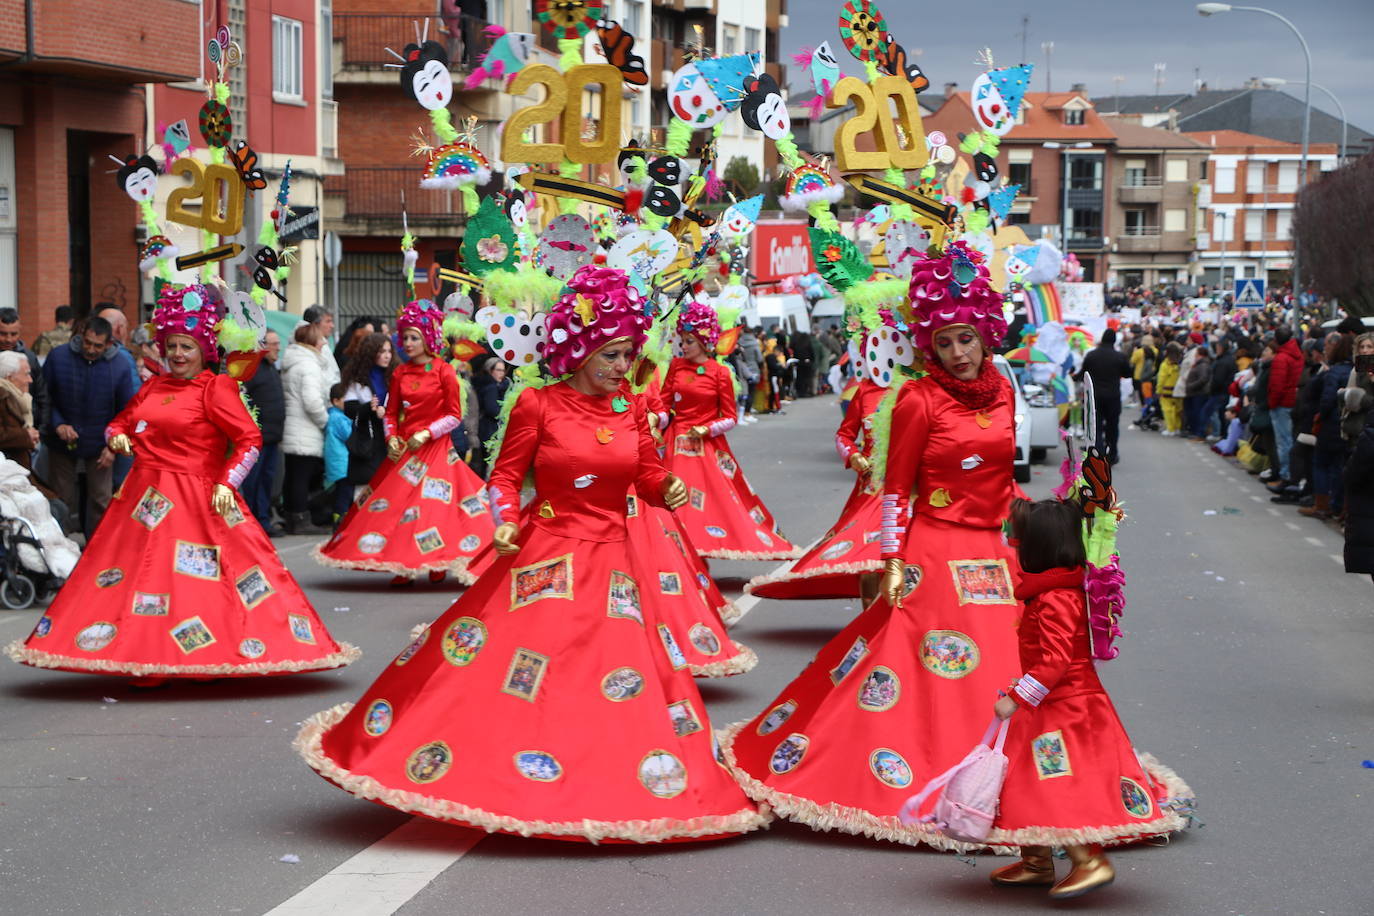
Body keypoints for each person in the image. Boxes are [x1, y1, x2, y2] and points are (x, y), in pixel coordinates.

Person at [295, 266, 769, 842]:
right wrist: (500, 524)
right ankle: (505, 769)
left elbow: (645, 475)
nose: (624, 368)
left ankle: (606, 780)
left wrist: (664, 487)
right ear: (582, 350)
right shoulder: (537, 406)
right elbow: (504, 480)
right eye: (613, 355)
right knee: (515, 670)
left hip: (616, 564)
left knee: (618, 676)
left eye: (629, 355)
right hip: (545, 554)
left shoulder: (632, 410)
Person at [724, 243, 1030, 846]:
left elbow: (1007, 480)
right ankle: (919, 771)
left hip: (995, 555)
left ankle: (1009, 782)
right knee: (926, 669)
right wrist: (892, 561)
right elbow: (894, 492)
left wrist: (1039, 536)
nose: (958, 353)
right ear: (927, 346)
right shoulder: (917, 398)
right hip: (933, 554)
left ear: (987, 333)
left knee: (1007, 667)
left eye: (966, 338)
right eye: (944, 343)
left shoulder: (1003, 393)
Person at [6, 283, 359, 684]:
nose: (176, 354)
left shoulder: (216, 388)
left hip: (197, 499)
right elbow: (122, 421)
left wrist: (229, 482)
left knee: (192, 584)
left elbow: (249, 440)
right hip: (142, 501)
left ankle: (198, 652)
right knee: (139, 580)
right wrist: (116, 436)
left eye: (186, 347)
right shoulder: (154, 386)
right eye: (171, 346)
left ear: (203, 351)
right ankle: (144, 655)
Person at [985, 498, 1191, 899]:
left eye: (1021, 540)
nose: (1014, 545)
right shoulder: (1051, 589)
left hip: (1067, 708)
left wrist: (1016, 697)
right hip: (1052, 705)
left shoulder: (1055, 597)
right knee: (1027, 779)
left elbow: (1055, 662)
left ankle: (1088, 860)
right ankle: (1036, 860)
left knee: (1059, 784)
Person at [313, 300, 492, 585]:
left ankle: (437, 560)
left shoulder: (443, 370)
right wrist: (391, 437)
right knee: (396, 507)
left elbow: (454, 415)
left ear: (427, 338)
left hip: (435, 449)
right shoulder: (400, 373)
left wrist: (427, 433)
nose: (406, 343)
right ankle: (402, 564)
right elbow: (392, 411)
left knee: (432, 507)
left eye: (413, 337)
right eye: (404, 337)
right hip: (406, 451)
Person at [746, 319, 909, 604]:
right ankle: (869, 622)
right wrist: (853, 455)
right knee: (866, 556)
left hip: (909, 487)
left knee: (910, 556)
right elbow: (843, 436)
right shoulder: (864, 393)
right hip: (870, 490)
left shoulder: (917, 390)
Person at [661, 301, 798, 561]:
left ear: (703, 341)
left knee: (715, 503)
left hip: (707, 448)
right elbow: (663, 404)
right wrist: (652, 418)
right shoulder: (676, 367)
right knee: (672, 498)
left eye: (689, 340)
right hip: (675, 445)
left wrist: (707, 428)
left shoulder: (720, 373)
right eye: (683, 340)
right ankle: (677, 552)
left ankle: (702, 548)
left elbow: (730, 417)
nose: (684, 346)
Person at [41, 316, 136, 538]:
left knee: (101, 500)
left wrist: (113, 447)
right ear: (81, 336)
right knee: (61, 498)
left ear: (109, 344)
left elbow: (127, 411)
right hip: (62, 439)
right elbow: (44, 398)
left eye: (98, 346)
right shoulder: (58, 357)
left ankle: (97, 552)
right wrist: (58, 424)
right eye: (87, 342)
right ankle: (59, 547)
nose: (91, 350)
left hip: (100, 442)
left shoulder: (120, 365)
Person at [280, 323, 331, 535]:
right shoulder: (308, 365)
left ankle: (292, 516)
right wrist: (325, 421)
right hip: (305, 429)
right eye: (321, 339)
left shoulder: (294, 362)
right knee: (301, 477)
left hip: (293, 427)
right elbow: (312, 401)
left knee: (293, 476)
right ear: (313, 342)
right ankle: (301, 518)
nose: (324, 343)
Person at [1302, 333, 1353, 520]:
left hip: (1332, 424)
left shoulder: (1334, 371)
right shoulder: (1358, 370)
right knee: (1339, 466)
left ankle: (1323, 505)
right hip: (1349, 425)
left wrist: (1320, 417)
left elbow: (1326, 400)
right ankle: (1338, 505)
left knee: (1322, 463)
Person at [240, 329, 285, 535]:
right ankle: (253, 522)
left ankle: (264, 520)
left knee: (267, 481)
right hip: (257, 438)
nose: (278, 347)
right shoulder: (252, 370)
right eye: (273, 344)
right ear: (262, 346)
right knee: (253, 482)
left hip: (272, 437)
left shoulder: (271, 368)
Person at [337, 332, 393, 488]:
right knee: (366, 491)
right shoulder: (357, 378)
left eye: (389, 351)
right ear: (370, 353)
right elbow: (349, 409)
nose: (387, 356)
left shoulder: (395, 374)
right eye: (382, 352)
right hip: (368, 441)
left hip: (391, 439)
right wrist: (369, 408)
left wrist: (387, 410)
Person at [1078, 328, 1131, 463]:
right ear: (1114, 341)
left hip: (1095, 396)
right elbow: (1127, 373)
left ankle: (1098, 453)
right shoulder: (1120, 356)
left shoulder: (1092, 355)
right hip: (1113, 396)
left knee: (1096, 425)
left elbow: (1083, 373)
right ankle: (1112, 453)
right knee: (1113, 425)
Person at [0, 307, 49, 432]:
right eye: (3, 334)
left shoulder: (30, 358)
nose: (8, 339)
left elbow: (42, 397)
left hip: (30, 430)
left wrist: (40, 430)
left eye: (13, 334)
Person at [1267, 324, 1303, 486]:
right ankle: (1290, 474)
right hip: (1293, 401)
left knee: (1283, 442)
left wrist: (1272, 404)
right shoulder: (1298, 354)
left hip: (1282, 404)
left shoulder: (1281, 358)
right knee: (1290, 440)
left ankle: (1285, 475)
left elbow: (1277, 386)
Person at [470, 355, 509, 477]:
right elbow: (492, 409)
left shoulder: (482, 383)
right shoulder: (491, 387)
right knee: (485, 463)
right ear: (489, 370)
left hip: (481, 428)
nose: (501, 374)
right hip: (488, 429)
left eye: (503, 370)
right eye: (498, 370)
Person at [323, 383, 354, 527]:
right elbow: (349, 436)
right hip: (343, 463)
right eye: (345, 399)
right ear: (336, 401)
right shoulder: (338, 418)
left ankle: (340, 517)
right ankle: (340, 520)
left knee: (343, 492)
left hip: (339, 463)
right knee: (344, 493)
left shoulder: (334, 416)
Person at [1156, 342, 1184, 436]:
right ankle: (1177, 428)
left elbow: (1161, 379)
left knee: (1167, 410)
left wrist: (1158, 391)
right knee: (1177, 411)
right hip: (1178, 390)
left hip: (1166, 390)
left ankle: (1170, 428)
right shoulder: (1180, 364)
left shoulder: (1165, 365)